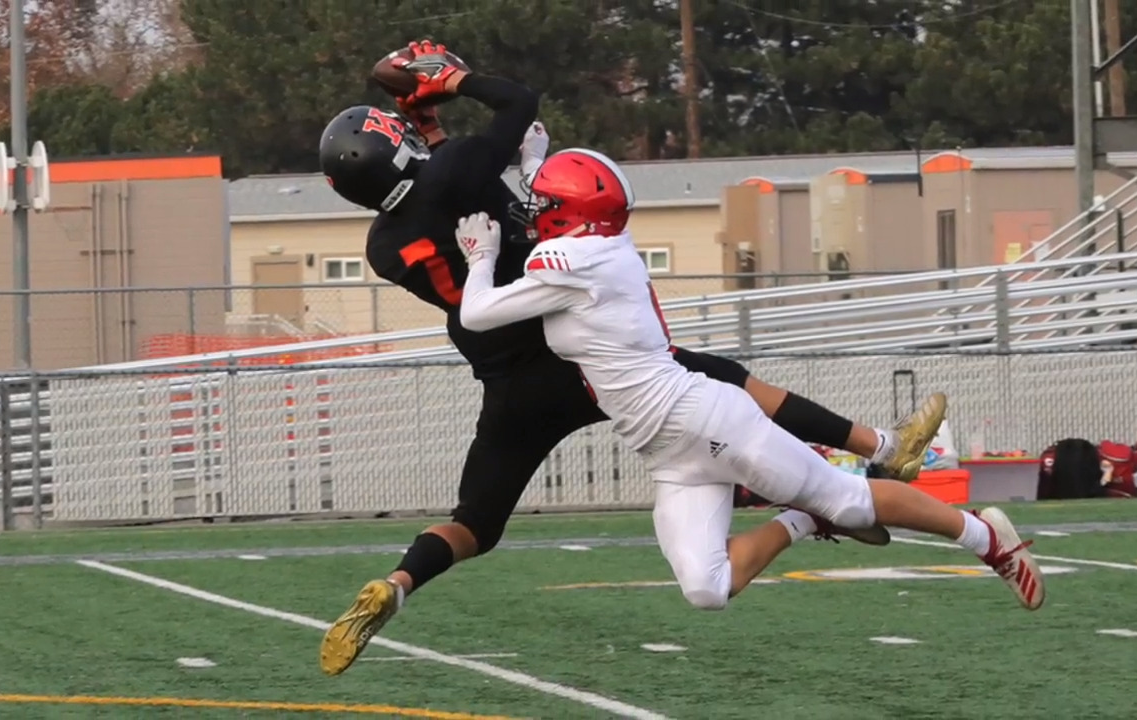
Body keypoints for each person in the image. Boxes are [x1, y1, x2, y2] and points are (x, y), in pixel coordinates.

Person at [316, 40, 946, 676]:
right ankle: (878, 450)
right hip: (577, 353)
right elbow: (510, 113)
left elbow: (444, 179)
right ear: (397, 148)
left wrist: (425, 123)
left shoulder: (384, 246)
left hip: (506, 380)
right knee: (721, 380)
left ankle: (397, 583)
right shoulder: (457, 171)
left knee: (475, 521)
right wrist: (449, 82)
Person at [454, 148, 1045, 615]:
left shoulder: (578, 263)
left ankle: (986, 539)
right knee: (706, 590)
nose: (532, 212)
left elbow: (477, 312)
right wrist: (537, 163)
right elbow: (568, 221)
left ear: (568, 215)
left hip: (705, 419)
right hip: (668, 450)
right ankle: (802, 517)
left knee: (855, 504)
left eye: (543, 202)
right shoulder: (599, 248)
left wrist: (481, 258)